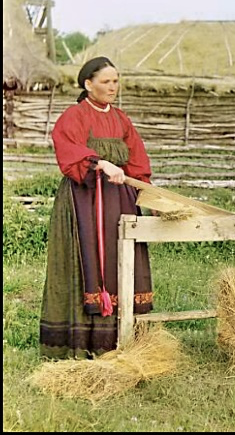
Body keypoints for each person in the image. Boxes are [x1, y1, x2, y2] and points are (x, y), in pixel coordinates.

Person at [39, 56, 155, 359]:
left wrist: (149, 194)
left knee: (122, 261)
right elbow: (68, 150)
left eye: (116, 81)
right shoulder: (74, 116)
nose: (112, 87)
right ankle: (85, 342)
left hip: (120, 202)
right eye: (106, 82)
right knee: (90, 261)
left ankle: (124, 340)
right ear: (88, 84)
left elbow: (137, 161)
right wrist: (100, 163)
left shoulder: (120, 120)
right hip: (85, 204)